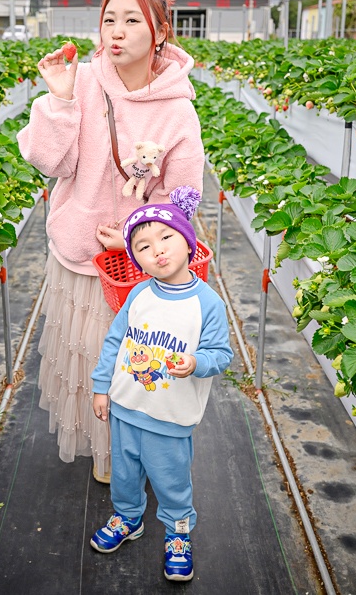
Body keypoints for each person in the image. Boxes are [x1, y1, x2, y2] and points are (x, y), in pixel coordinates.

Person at [16, 0, 206, 483]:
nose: (116, 32)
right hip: (80, 256)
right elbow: (49, 161)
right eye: (108, 20)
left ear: (161, 30)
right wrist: (58, 101)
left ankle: (132, 455)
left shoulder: (178, 111)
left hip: (135, 268)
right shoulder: (81, 82)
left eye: (132, 20)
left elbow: (182, 199)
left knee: (137, 366)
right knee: (89, 363)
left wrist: (136, 239)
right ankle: (104, 456)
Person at [88, 187, 233, 582]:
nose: (158, 250)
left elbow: (222, 354)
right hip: (126, 406)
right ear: (137, 260)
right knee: (123, 473)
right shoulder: (137, 293)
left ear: (189, 243)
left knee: (171, 481)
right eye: (143, 246)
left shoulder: (207, 304)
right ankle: (128, 517)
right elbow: (115, 343)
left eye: (166, 237)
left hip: (169, 417)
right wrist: (102, 387)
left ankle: (178, 533)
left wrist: (197, 362)